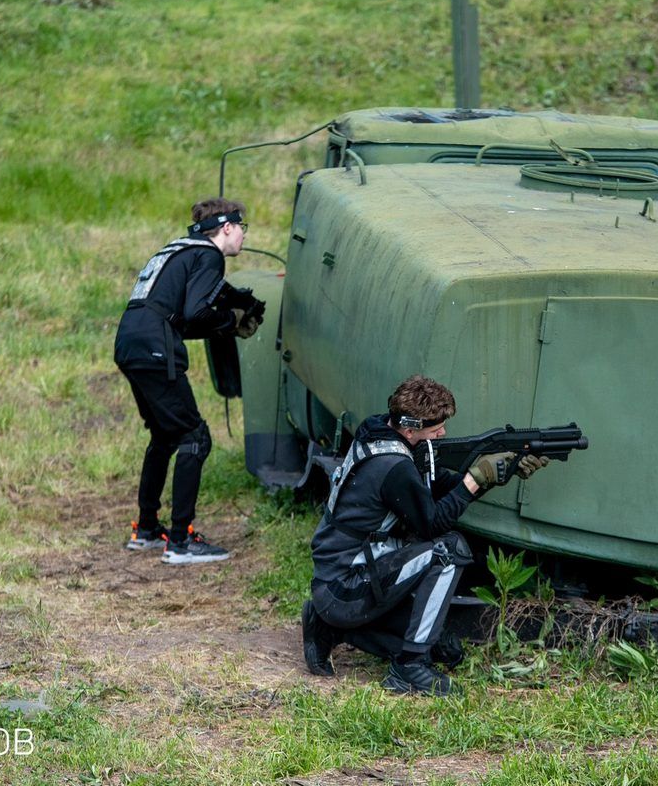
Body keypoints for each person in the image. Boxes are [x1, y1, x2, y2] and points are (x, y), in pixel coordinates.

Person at [302, 375, 548, 695]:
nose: (442, 433)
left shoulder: (378, 433)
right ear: (409, 429)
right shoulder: (393, 465)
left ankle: (328, 625)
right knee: (449, 550)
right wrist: (475, 481)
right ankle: (408, 668)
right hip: (347, 585)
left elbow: (439, 484)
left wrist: (501, 469)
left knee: (447, 650)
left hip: (341, 577)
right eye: (435, 429)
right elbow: (432, 524)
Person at [114, 197, 258, 564]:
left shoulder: (177, 250)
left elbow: (181, 315)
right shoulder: (210, 255)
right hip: (154, 347)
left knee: (165, 435)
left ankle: (146, 530)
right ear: (227, 228)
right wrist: (232, 319)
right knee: (195, 436)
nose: (243, 235)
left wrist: (229, 311)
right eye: (242, 228)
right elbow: (196, 311)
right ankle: (180, 542)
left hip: (131, 340)